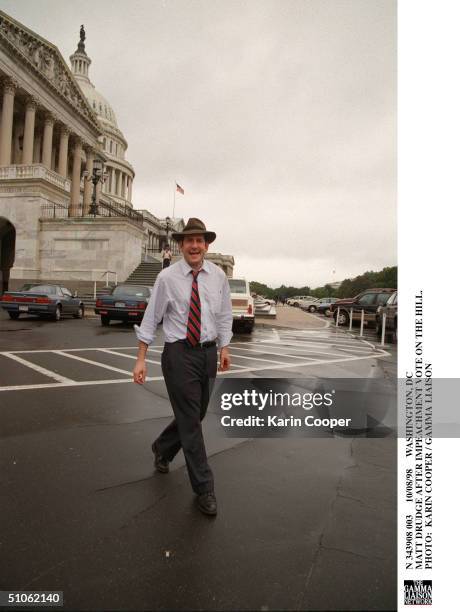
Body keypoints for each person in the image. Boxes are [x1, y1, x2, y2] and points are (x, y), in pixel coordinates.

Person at [132, 218, 232, 516]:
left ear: (207, 245)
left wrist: (224, 347)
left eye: (199, 240)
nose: (194, 246)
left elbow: (225, 315)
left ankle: (163, 447)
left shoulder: (218, 277)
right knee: (190, 422)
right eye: (189, 241)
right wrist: (140, 358)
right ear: (180, 245)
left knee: (197, 413)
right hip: (178, 354)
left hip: (207, 353)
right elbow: (151, 319)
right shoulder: (167, 278)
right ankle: (204, 487)